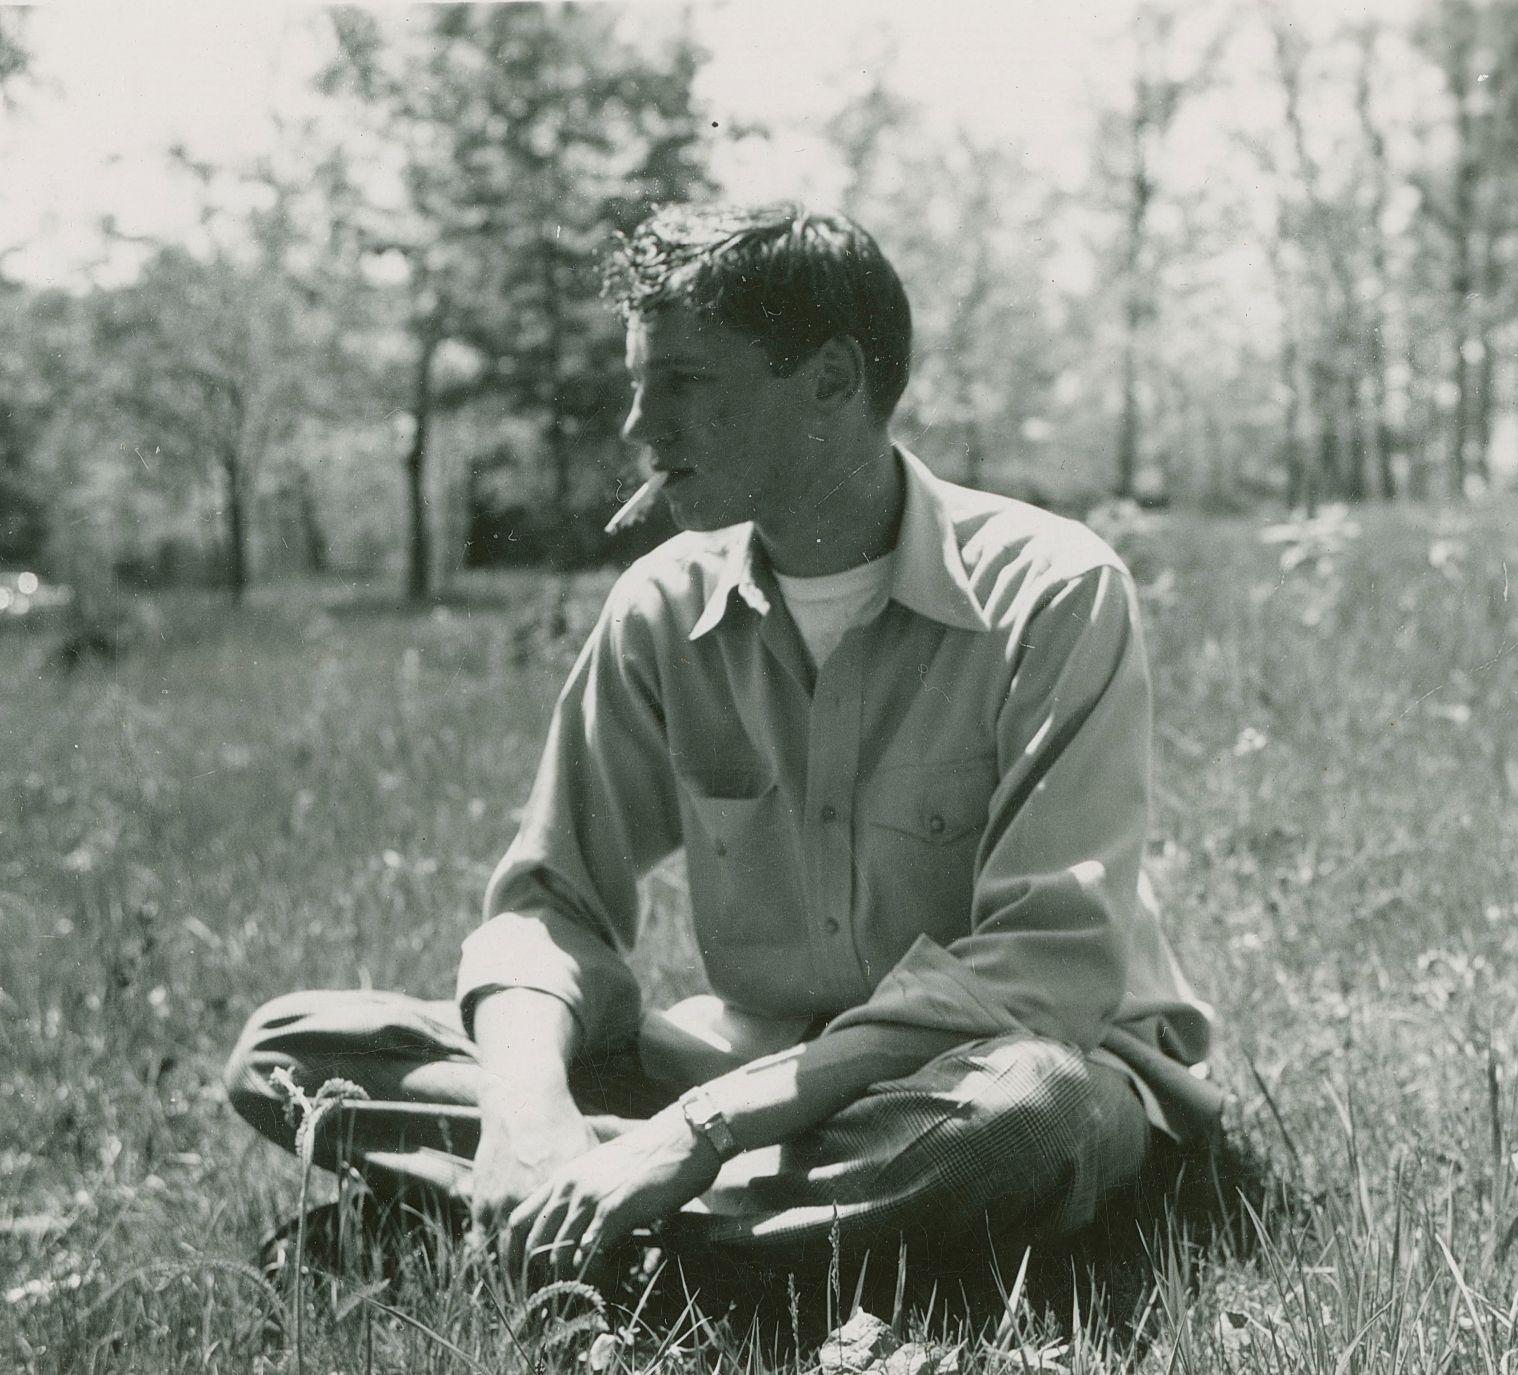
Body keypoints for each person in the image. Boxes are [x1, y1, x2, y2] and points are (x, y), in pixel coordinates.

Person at [222, 202, 1219, 1294]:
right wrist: (526, 1110)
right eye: (638, 383)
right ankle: (622, 1217)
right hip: (751, 1068)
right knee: (293, 1045)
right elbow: (550, 902)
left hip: (977, 1071)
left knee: (1025, 1115)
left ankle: (543, 1241)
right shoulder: (660, 607)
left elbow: (1041, 970)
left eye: (686, 384)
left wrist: (694, 1131)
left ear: (833, 379)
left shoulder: (1050, 590)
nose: (639, 428)